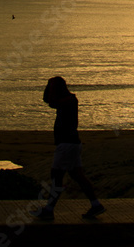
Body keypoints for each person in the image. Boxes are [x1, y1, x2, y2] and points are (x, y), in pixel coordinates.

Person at [36, 76, 105, 221]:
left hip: (67, 145)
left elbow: (52, 101)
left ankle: (49, 210)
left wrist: (51, 86)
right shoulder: (66, 100)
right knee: (78, 176)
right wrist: (50, 86)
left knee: (57, 177)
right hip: (70, 144)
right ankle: (95, 204)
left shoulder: (69, 100)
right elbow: (48, 101)